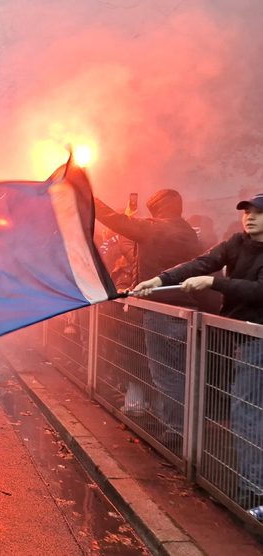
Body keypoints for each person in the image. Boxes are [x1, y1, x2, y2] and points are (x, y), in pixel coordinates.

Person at [133, 193, 263, 507]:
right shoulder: (237, 242)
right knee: (247, 411)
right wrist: (160, 279)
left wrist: (213, 284)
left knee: (246, 413)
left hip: (257, 339)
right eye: (247, 211)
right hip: (243, 337)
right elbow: (202, 263)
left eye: (259, 212)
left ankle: (254, 492)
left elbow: (260, 291)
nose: (250, 216)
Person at [95, 189, 204, 440]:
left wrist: (88, 196)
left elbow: (114, 219)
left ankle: (177, 431)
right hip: (186, 310)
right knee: (183, 373)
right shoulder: (187, 231)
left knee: (165, 373)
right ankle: (180, 426)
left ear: (156, 208)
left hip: (160, 310)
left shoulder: (154, 229)